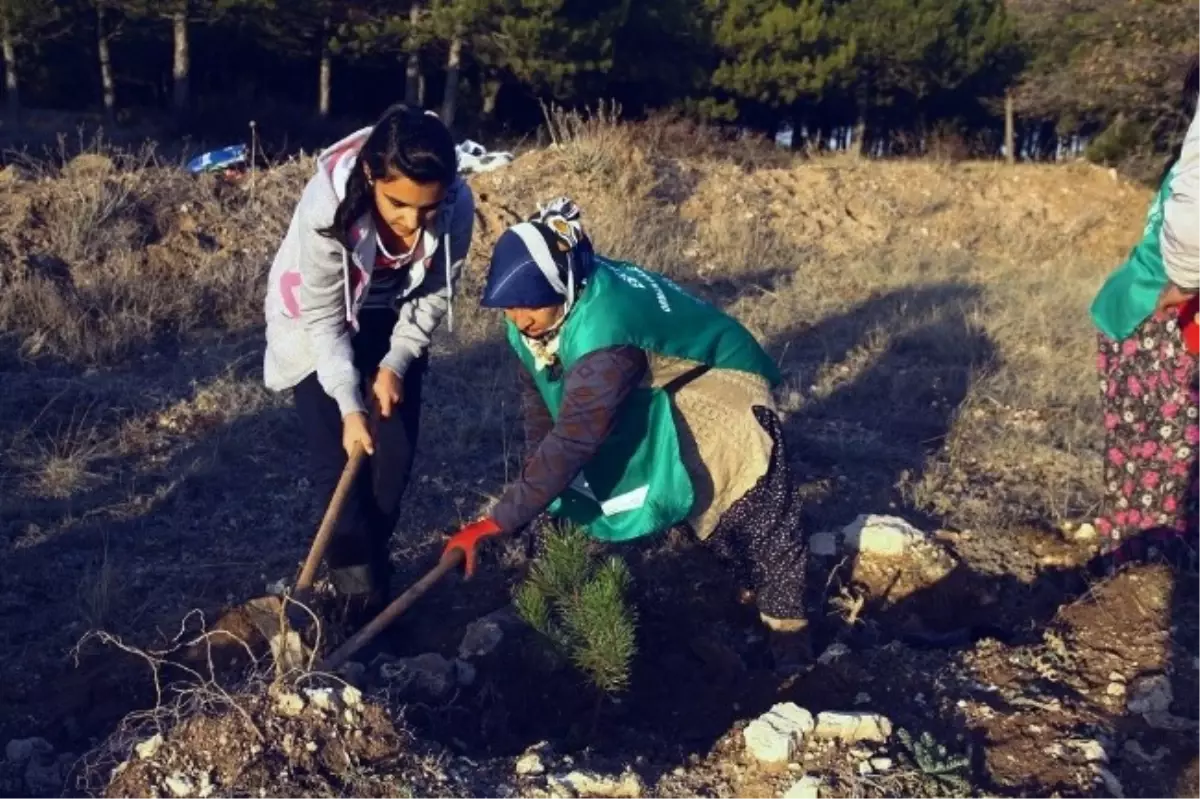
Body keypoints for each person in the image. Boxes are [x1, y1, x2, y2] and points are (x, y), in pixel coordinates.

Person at [441, 198, 811, 672]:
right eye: (508, 306)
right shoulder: (542, 314)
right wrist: (538, 493)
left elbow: (575, 438)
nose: (518, 318)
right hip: (655, 381)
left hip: (716, 379)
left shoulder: (605, 332)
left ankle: (788, 640)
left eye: (530, 305)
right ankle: (736, 589)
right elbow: (541, 407)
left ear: (562, 285)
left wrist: (499, 520)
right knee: (582, 478)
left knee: (745, 503)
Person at [263, 104, 474, 617]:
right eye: (398, 203)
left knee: (391, 468)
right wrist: (349, 405)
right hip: (319, 326)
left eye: (426, 208)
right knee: (341, 479)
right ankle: (355, 603)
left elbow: (434, 295)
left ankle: (374, 579)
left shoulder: (456, 206)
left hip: (392, 320)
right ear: (370, 176)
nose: (411, 221)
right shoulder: (327, 211)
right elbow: (324, 319)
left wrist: (396, 362)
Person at [1090, 58, 1200, 562]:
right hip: (1156, 315)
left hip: (1142, 308)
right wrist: (1182, 281)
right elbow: (1193, 217)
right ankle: (1144, 578)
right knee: (1164, 462)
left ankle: (1137, 563)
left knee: (1144, 458)